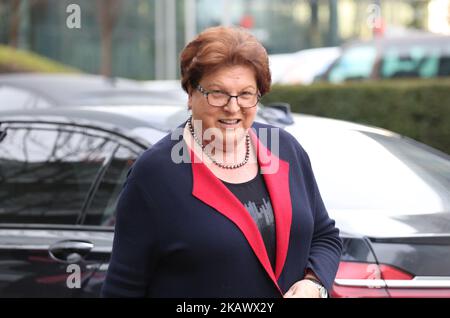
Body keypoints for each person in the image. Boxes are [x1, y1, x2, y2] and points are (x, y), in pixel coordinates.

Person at [101, 26, 342, 298]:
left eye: (246, 94)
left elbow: (325, 237)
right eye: (218, 93)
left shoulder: (286, 150)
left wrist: (314, 283)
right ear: (191, 93)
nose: (232, 106)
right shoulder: (155, 174)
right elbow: (123, 288)